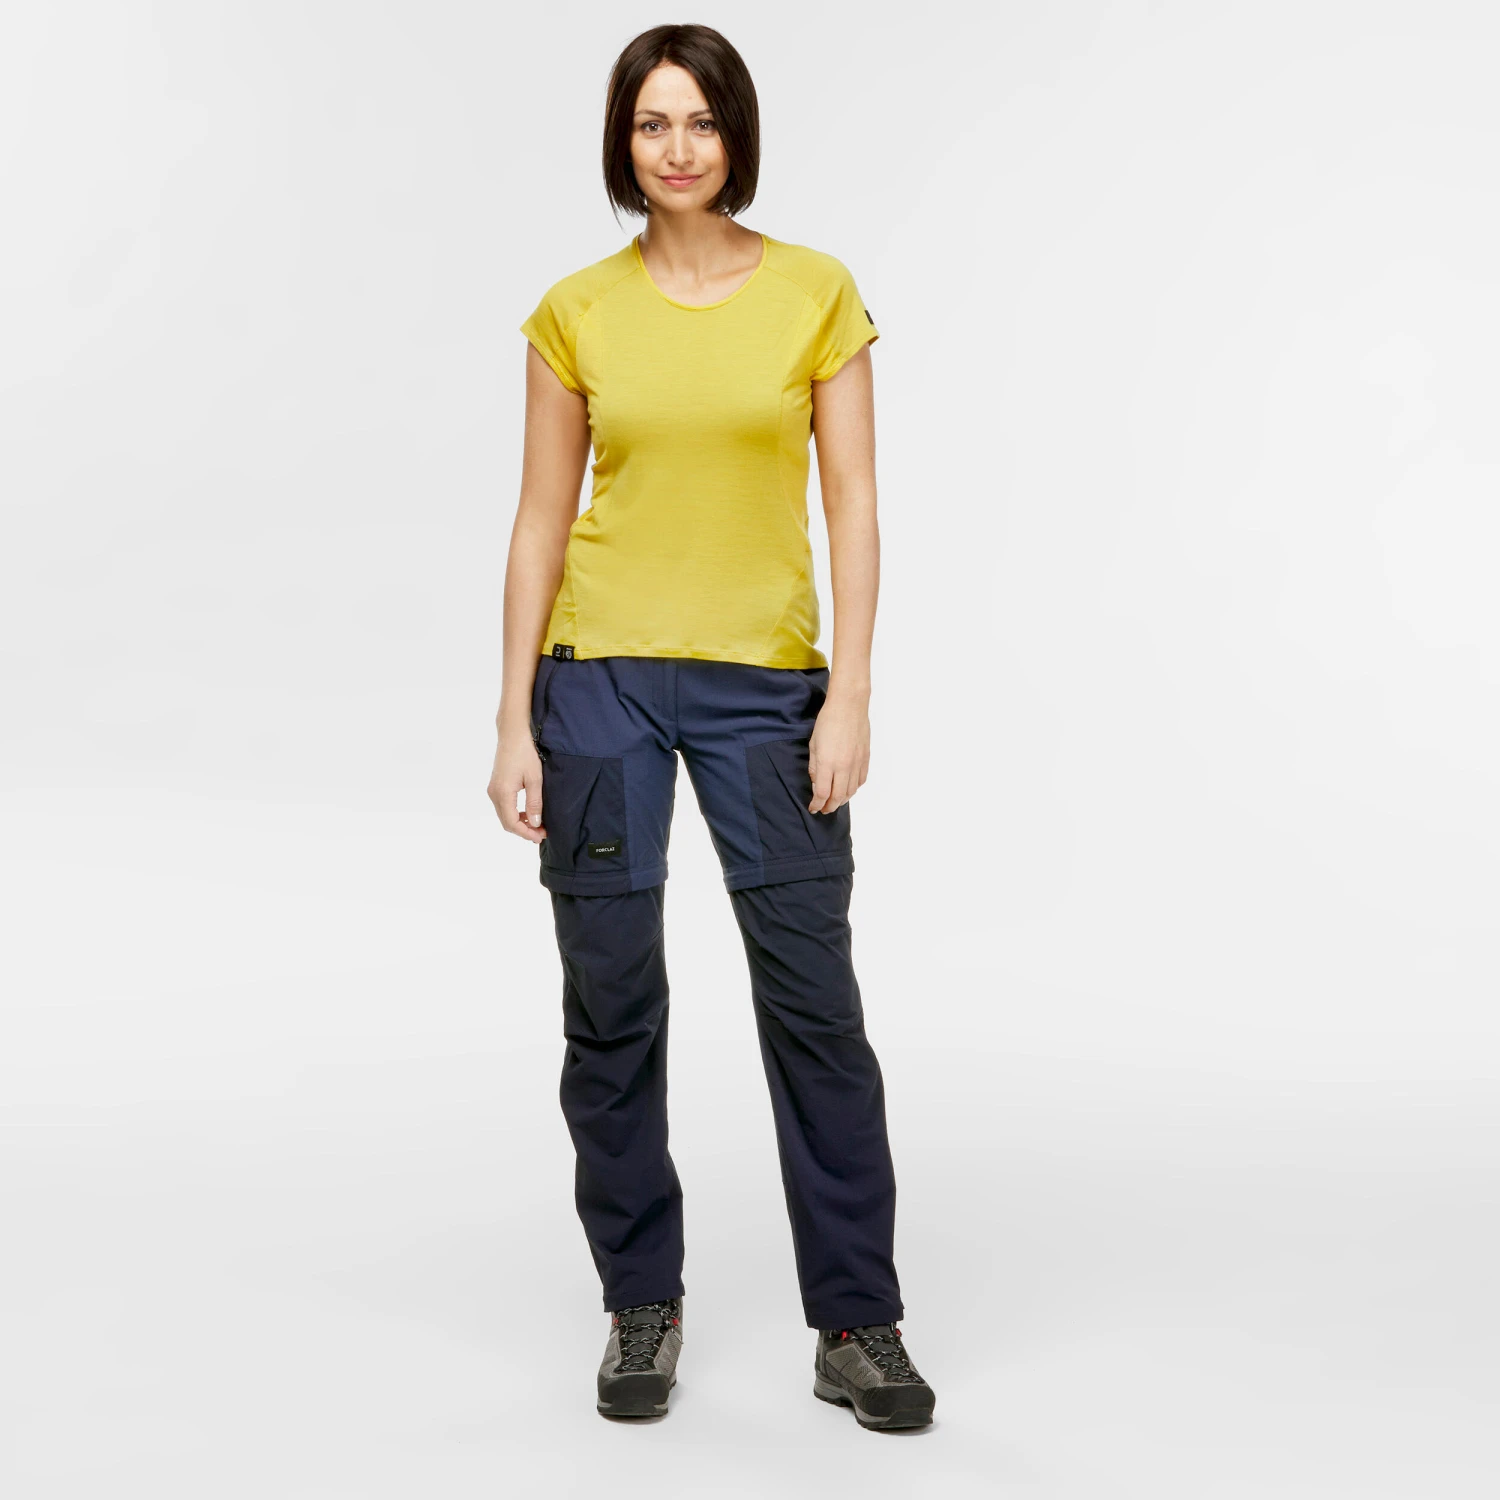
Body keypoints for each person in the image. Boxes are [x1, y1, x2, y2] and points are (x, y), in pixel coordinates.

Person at [488, 23, 935, 1431]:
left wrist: (849, 691)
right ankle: (642, 1304)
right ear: (621, 143)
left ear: (735, 134)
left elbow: (854, 503)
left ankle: (857, 1323)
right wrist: (511, 719)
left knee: (813, 1006)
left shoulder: (816, 293)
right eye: (650, 124)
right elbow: (541, 519)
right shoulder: (575, 311)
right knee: (612, 1002)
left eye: (699, 122)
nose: (676, 148)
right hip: (599, 678)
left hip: (765, 690)